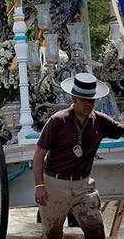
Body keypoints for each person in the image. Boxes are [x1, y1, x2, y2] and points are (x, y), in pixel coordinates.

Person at [33, 73, 124, 239]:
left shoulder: (101, 121)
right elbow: (39, 154)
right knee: (52, 234)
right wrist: (39, 186)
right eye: (84, 99)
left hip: (83, 185)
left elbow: (121, 130)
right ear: (73, 98)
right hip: (55, 184)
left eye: (91, 99)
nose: (88, 103)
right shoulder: (57, 121)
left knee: (96, 230)